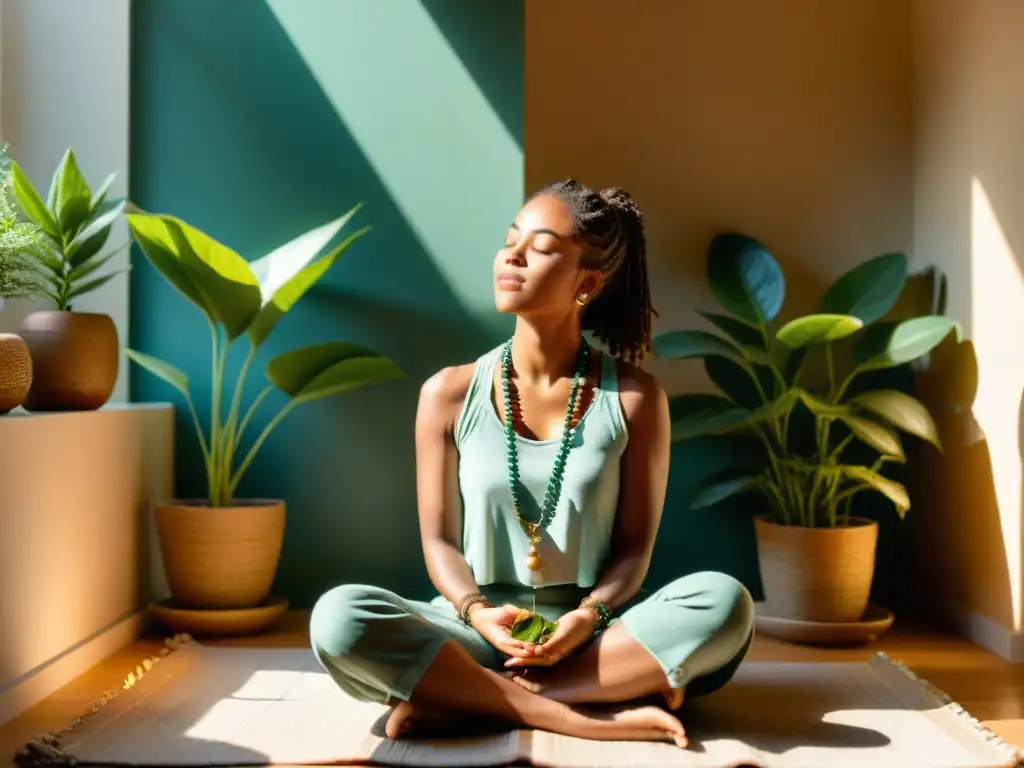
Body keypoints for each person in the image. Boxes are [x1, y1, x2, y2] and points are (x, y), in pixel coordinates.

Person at [309, 179, 755, 747]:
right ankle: (575, 707)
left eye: (539, 247)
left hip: (591, 632)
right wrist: (475, 613)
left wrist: (583, 621)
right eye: (509, 240)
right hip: (476, 627)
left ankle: (464, 698)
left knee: (724, 604)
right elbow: (440, 543)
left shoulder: (636, 398)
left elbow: (633, 552)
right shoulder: (447, 393)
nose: (511, 256)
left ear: (587, 283)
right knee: (339, 617)